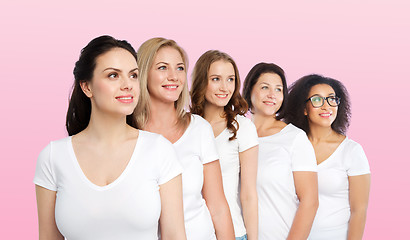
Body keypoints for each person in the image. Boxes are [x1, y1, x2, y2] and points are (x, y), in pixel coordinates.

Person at [34, 35, 186, 240]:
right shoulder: (53, 156)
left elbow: (175, 235)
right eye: (113, 75)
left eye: (133, 75)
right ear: (87, 87)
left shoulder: (159, 151)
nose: (128, 85)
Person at [136, 38, 235, 240]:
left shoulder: (199, 129)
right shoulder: (127, 133)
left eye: (180, 68)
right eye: (163, 67)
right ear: (144, 73)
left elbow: (218, 207)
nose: (173, 76)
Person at [285, 74, 371, 240]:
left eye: (332, 99)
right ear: (304, 108)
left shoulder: (352, 151)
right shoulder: (290, 146)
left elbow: (359, 210)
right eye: (317, 100)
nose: (326, 107)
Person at [242, 62, 318, 240]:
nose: (271, 95)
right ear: (249, 91)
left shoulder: (294, 138)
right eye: (265, 87)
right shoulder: (236, 135)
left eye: (278, 89)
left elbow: (310, 202)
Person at [190, 50, 258, 240]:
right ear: (202, 82)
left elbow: (248, 194)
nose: (224, 87)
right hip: (193, 233)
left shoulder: (242, 127)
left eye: (230, 79)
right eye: (216, 79)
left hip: (233, 233)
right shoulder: (188, 126)